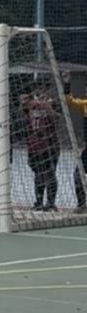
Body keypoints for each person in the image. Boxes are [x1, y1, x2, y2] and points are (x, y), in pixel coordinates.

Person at [21, 87, 59, 211]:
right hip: (34, 147)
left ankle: (51, 203)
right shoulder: (30, 107)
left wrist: (46, 106)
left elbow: (56, 118)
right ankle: (38, 202)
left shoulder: (52, 104)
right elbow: (22, 111)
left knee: (50, 174)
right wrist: (28, 103)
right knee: (38, 174)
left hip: (50, 146)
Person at [63, 73, 87, 211]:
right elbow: (69, 101)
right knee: (78, 175)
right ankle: (81, 204)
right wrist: (67, 83)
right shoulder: (85, 104)